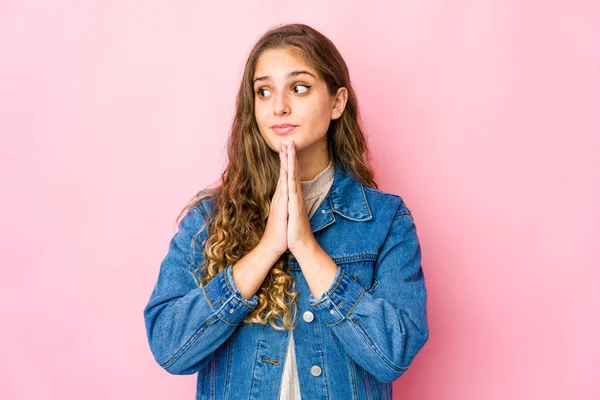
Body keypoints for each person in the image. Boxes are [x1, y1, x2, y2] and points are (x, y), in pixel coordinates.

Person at [143, 22, 429, 399]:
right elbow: (171, 349)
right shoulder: (208, 217)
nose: (279, 106)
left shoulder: (385, 220)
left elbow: (392, 355)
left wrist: (306, 248)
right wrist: (266, 249)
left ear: (337, 102)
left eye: (299, 87)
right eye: (264, 91)